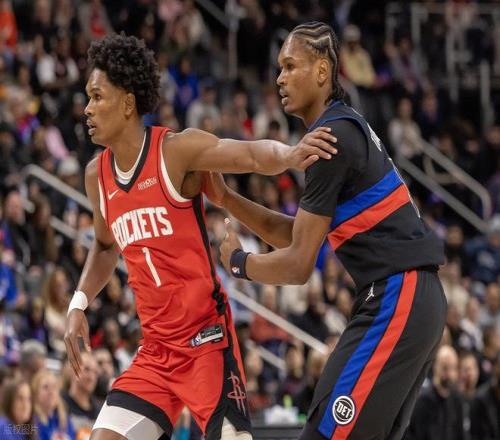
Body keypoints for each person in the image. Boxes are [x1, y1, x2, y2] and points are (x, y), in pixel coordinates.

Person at [64, 33, 337, 440]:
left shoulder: (175, 151)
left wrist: (291, 154)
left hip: (206, 343)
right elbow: (105, 247)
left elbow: (246, 154)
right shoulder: (95, 176)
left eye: (97, 96)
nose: (87, 108)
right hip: (155, 352)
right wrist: (79, 303)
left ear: (127, 103)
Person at [207, 21, 447, 439]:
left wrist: (239, 264)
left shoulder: (329, 138)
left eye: (289, 66)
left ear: (322, 70)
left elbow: (299, 265)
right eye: (278, 68)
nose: (279, 77)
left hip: (397, 295)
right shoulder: (342, 127)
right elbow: (298, 235)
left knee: (323, 433)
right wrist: (228, 199)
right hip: (415, 299)